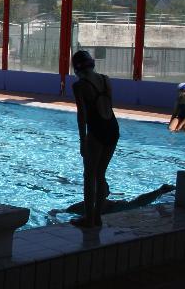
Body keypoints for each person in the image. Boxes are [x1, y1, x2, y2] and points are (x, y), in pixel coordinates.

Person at [71, 50, 119, 228]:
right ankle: (97, 217)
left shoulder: (79, 86)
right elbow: (108, 106)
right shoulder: (106, 79)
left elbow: (82, 115)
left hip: (96, 131)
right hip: (112, 129)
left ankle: (88, 218)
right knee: (100, 175)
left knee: (89, 176)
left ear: (76, 68)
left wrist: (83, 141)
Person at [49, 183, 175, 217]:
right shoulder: (78, 207)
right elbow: (55, 212)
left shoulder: (115, 206)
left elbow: (139, 202)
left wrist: (159, 192)